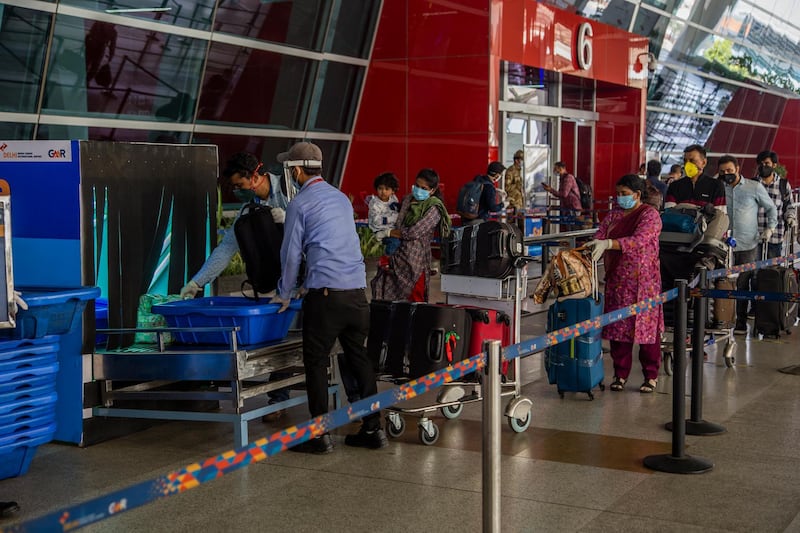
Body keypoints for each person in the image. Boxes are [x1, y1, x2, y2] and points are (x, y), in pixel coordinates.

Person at [271, 141, 386, 454]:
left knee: (316, 362)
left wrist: (284, 293)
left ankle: (318, 434)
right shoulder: (340, 199)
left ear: (295, 170)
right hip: (356, 294)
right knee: (359, 359)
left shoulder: (299, 204)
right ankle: (373, 429)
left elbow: (291, 253)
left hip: (327, 297)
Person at [179, 152, 292, 421]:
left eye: (239, 185)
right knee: (283, 339)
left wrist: (290, 219)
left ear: (254, 176)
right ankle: (279, 399)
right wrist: (196, 283)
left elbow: (317, 228)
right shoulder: (249, 212)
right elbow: (226, 250)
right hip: (279, 285)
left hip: (314, 279)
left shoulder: (292, 189)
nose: (237, 192)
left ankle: (358, 402)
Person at [584, 174, 664, 393]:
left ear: (637, 195)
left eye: (625, 194)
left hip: (644, 282)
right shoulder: (613, 216)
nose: (620, 198)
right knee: (619, 329)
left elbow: (640, 240)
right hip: (618, 280)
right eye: (618, 194)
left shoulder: (650, 215)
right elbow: (599, 235)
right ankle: (620, 374)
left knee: (646, 331)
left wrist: (609, 243)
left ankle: (650, 375)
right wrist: (592, 246)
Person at [371, 168, 452, 302]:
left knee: (415, 298)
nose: (418, 190)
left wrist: (391, 232)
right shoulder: (407, 199)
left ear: (432, 190)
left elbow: (413, 232)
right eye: (417, 185)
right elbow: (397, 220)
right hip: (396, 257)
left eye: (424, 188)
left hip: (415, 261)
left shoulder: (434, 208)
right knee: (387, 296)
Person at [719, 155, 777, 334]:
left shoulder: (754, 187)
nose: (726, 174)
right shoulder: (718, 187)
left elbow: (771, 208)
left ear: (737, 168)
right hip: (722, 246)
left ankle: (741, 323)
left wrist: (770, 229)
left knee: (743, 284)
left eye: (729, 170)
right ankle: (722, 319)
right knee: (722, 284)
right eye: (722, 171)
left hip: (747, 245)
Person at [755, 150, 797, 258]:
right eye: (761, 164)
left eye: (767, 163)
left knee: (773, 271)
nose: (763, 166)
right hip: (754, 236)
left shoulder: (783, 185)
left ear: (774, 165)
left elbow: (790, 205)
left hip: (776, 234)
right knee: (754, 270)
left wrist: (790, 217)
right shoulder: (753, 184)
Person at [367, 172, 401, 256]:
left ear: (393, 191)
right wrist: (392, 218)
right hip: (380, 232)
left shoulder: (393, 199)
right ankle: (386, 258)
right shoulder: (375, 203)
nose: (383, 191)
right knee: (394, 242)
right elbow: (376, 221)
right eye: (380, 188)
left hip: (392, 229)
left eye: (387, 189)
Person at [543, 161, 582, 231]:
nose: (554, 171)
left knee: (571, 230)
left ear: (561, 168)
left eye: (556, 169)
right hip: (568, 208)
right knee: (568, 230)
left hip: (572, 208)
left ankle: (573, 241)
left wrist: (551, 190)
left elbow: (564, 194)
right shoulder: (563, 179)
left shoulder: (568, 178)